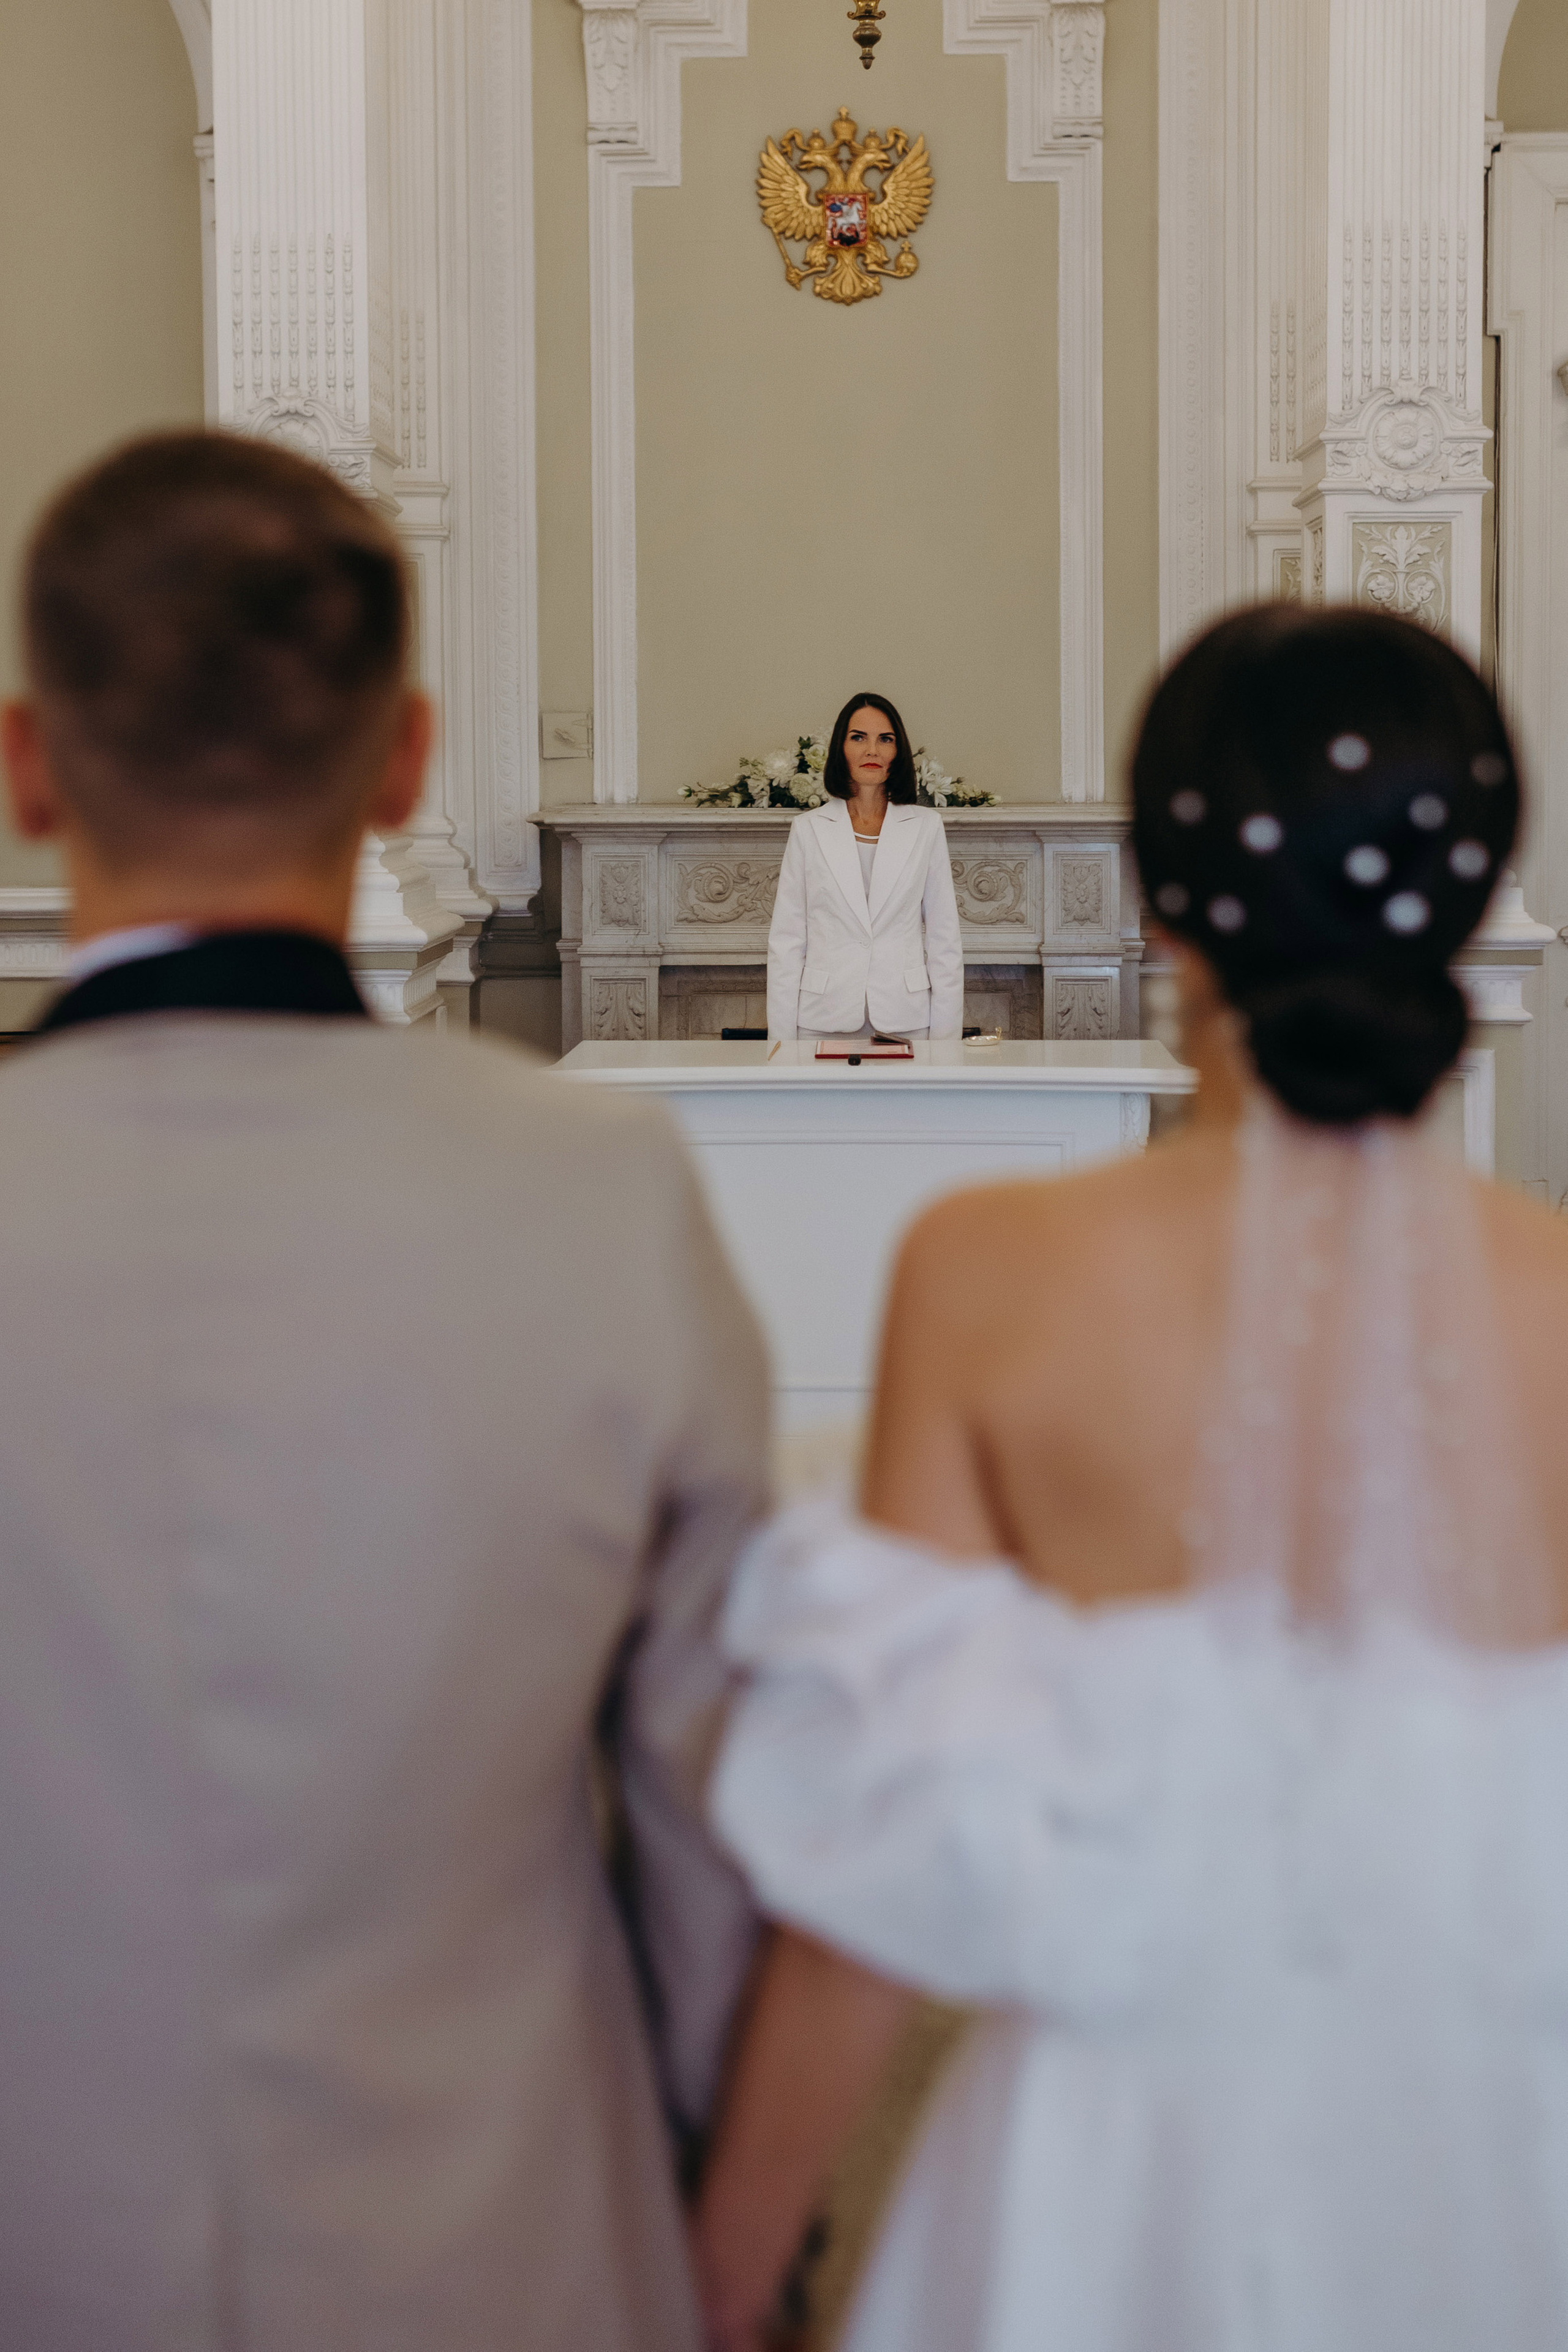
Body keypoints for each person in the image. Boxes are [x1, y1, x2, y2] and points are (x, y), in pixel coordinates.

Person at [693, 608, 1568, 2352]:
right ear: (1469, 899)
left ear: (1162, 902)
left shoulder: (992, 1269)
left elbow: (888, 1846)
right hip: (1497, 2171)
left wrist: (718, 2277)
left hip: (1096, 2189)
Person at [0, 431, 769, 2352]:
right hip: (495, 2231)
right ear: (407, 756)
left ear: (26, 762)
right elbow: (712, 1795)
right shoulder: (596, 1189)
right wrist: (706, 2193)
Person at [766, 692, 963, 1044]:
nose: (872, 750)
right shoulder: (809, 829)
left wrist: (947, 1045)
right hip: (820, 1020)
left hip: (909, 1019)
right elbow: (787, 943)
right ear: (841, 748)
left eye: (884, 739)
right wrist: (780, 1045)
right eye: (859, 737)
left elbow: (944, 942)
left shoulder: (926, 826)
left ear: (897, 751)